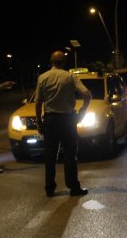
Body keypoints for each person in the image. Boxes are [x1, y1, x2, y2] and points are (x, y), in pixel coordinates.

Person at [35, 50, 91, 197]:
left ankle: (49, 188)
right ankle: (73, 187)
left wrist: (39, 122)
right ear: (64, 63)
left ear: (51, 62)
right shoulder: (70, 77)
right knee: (70, 155)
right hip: (68, 120)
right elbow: (86, 94)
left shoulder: (42, 77)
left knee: (50, 156)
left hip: (50, 120)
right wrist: (82, 112)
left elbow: (38, 102)